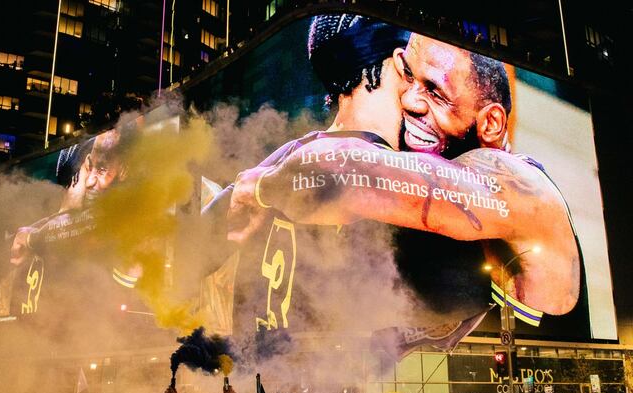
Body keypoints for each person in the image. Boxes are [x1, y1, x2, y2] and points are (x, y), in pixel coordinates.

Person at [227, 18, 583, 344]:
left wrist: (260, 187)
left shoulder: (515, 183)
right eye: (409, 77)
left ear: (489, 123)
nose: (410, 99)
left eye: (434, 91)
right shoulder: (457, 213)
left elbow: (344, 171)